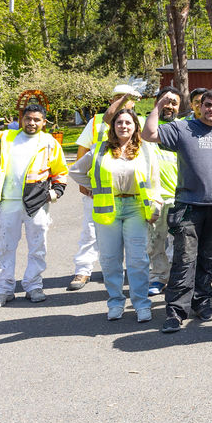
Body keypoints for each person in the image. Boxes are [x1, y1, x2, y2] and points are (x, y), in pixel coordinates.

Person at [142, 88, 212, 334]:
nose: (211, 109)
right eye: (207, 104)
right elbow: (149, 133)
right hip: (189, 208)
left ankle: (202, 303)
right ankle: (175, 312)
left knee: (208, 260)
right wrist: (158, 106)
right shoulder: (183, 129)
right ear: (199, 107)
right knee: (184, 260)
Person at [0, 104, 68, 309]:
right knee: (5, 248)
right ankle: (3, 290)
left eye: (37, 120)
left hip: (36, 203)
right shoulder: (2, 138)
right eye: (28, 118)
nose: (32, 123)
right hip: (7, 202)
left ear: (44, 122)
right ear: (22, 119)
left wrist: (56, 192)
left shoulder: (49, 142)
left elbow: (60, 171)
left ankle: (33, 286)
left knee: (38, 247)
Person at [70, 109, 161, 322]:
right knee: (110, 259)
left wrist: (156, 206)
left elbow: (154, 181)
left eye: (128, 123)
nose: (123, 126)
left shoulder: (146, 150)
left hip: (136, 208)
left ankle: (141, 304)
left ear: (135, 126)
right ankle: (115, 302)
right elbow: (75, 171)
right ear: (113, 126)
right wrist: (92, 187)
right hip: (108, 208)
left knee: (138, 259)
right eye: (119, 122)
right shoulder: (99, 149)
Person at [66, 84, 141, 292]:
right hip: (99, 190)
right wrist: (84, 183)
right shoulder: (96, 122)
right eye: (118, 98)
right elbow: (83, 150)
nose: (123, 102)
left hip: (129, 190)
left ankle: (132, 273)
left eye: (127, 99)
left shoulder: (138, 122)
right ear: (111, 101)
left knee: (133, 234)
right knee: (90, 231)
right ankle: (83, 270)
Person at [148, 86, 181, 297]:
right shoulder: (145, 125)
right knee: (155, 241)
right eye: (164, 101)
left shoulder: (183, 128)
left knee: (181, 242)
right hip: (154, 197)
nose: (169, 106)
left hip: (180, 196)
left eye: (174, 102)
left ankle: (178, 278)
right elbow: (110, 119)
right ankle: (159, 277)